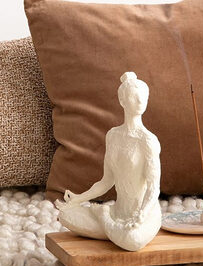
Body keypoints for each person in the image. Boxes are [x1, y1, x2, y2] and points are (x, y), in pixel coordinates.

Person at [57, 71, 162, 252]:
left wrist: (141, 215)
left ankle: (104, 219)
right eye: (135, 96)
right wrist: (78, 198)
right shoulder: (113, 136)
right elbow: (106, 181)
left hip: (143, 214)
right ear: (122, 100)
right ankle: (113, 229)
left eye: (144, 97)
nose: (140, 101)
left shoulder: (148, 141)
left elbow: (154, 188)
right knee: (66, 214)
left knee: (133, 240)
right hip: (118, 211)